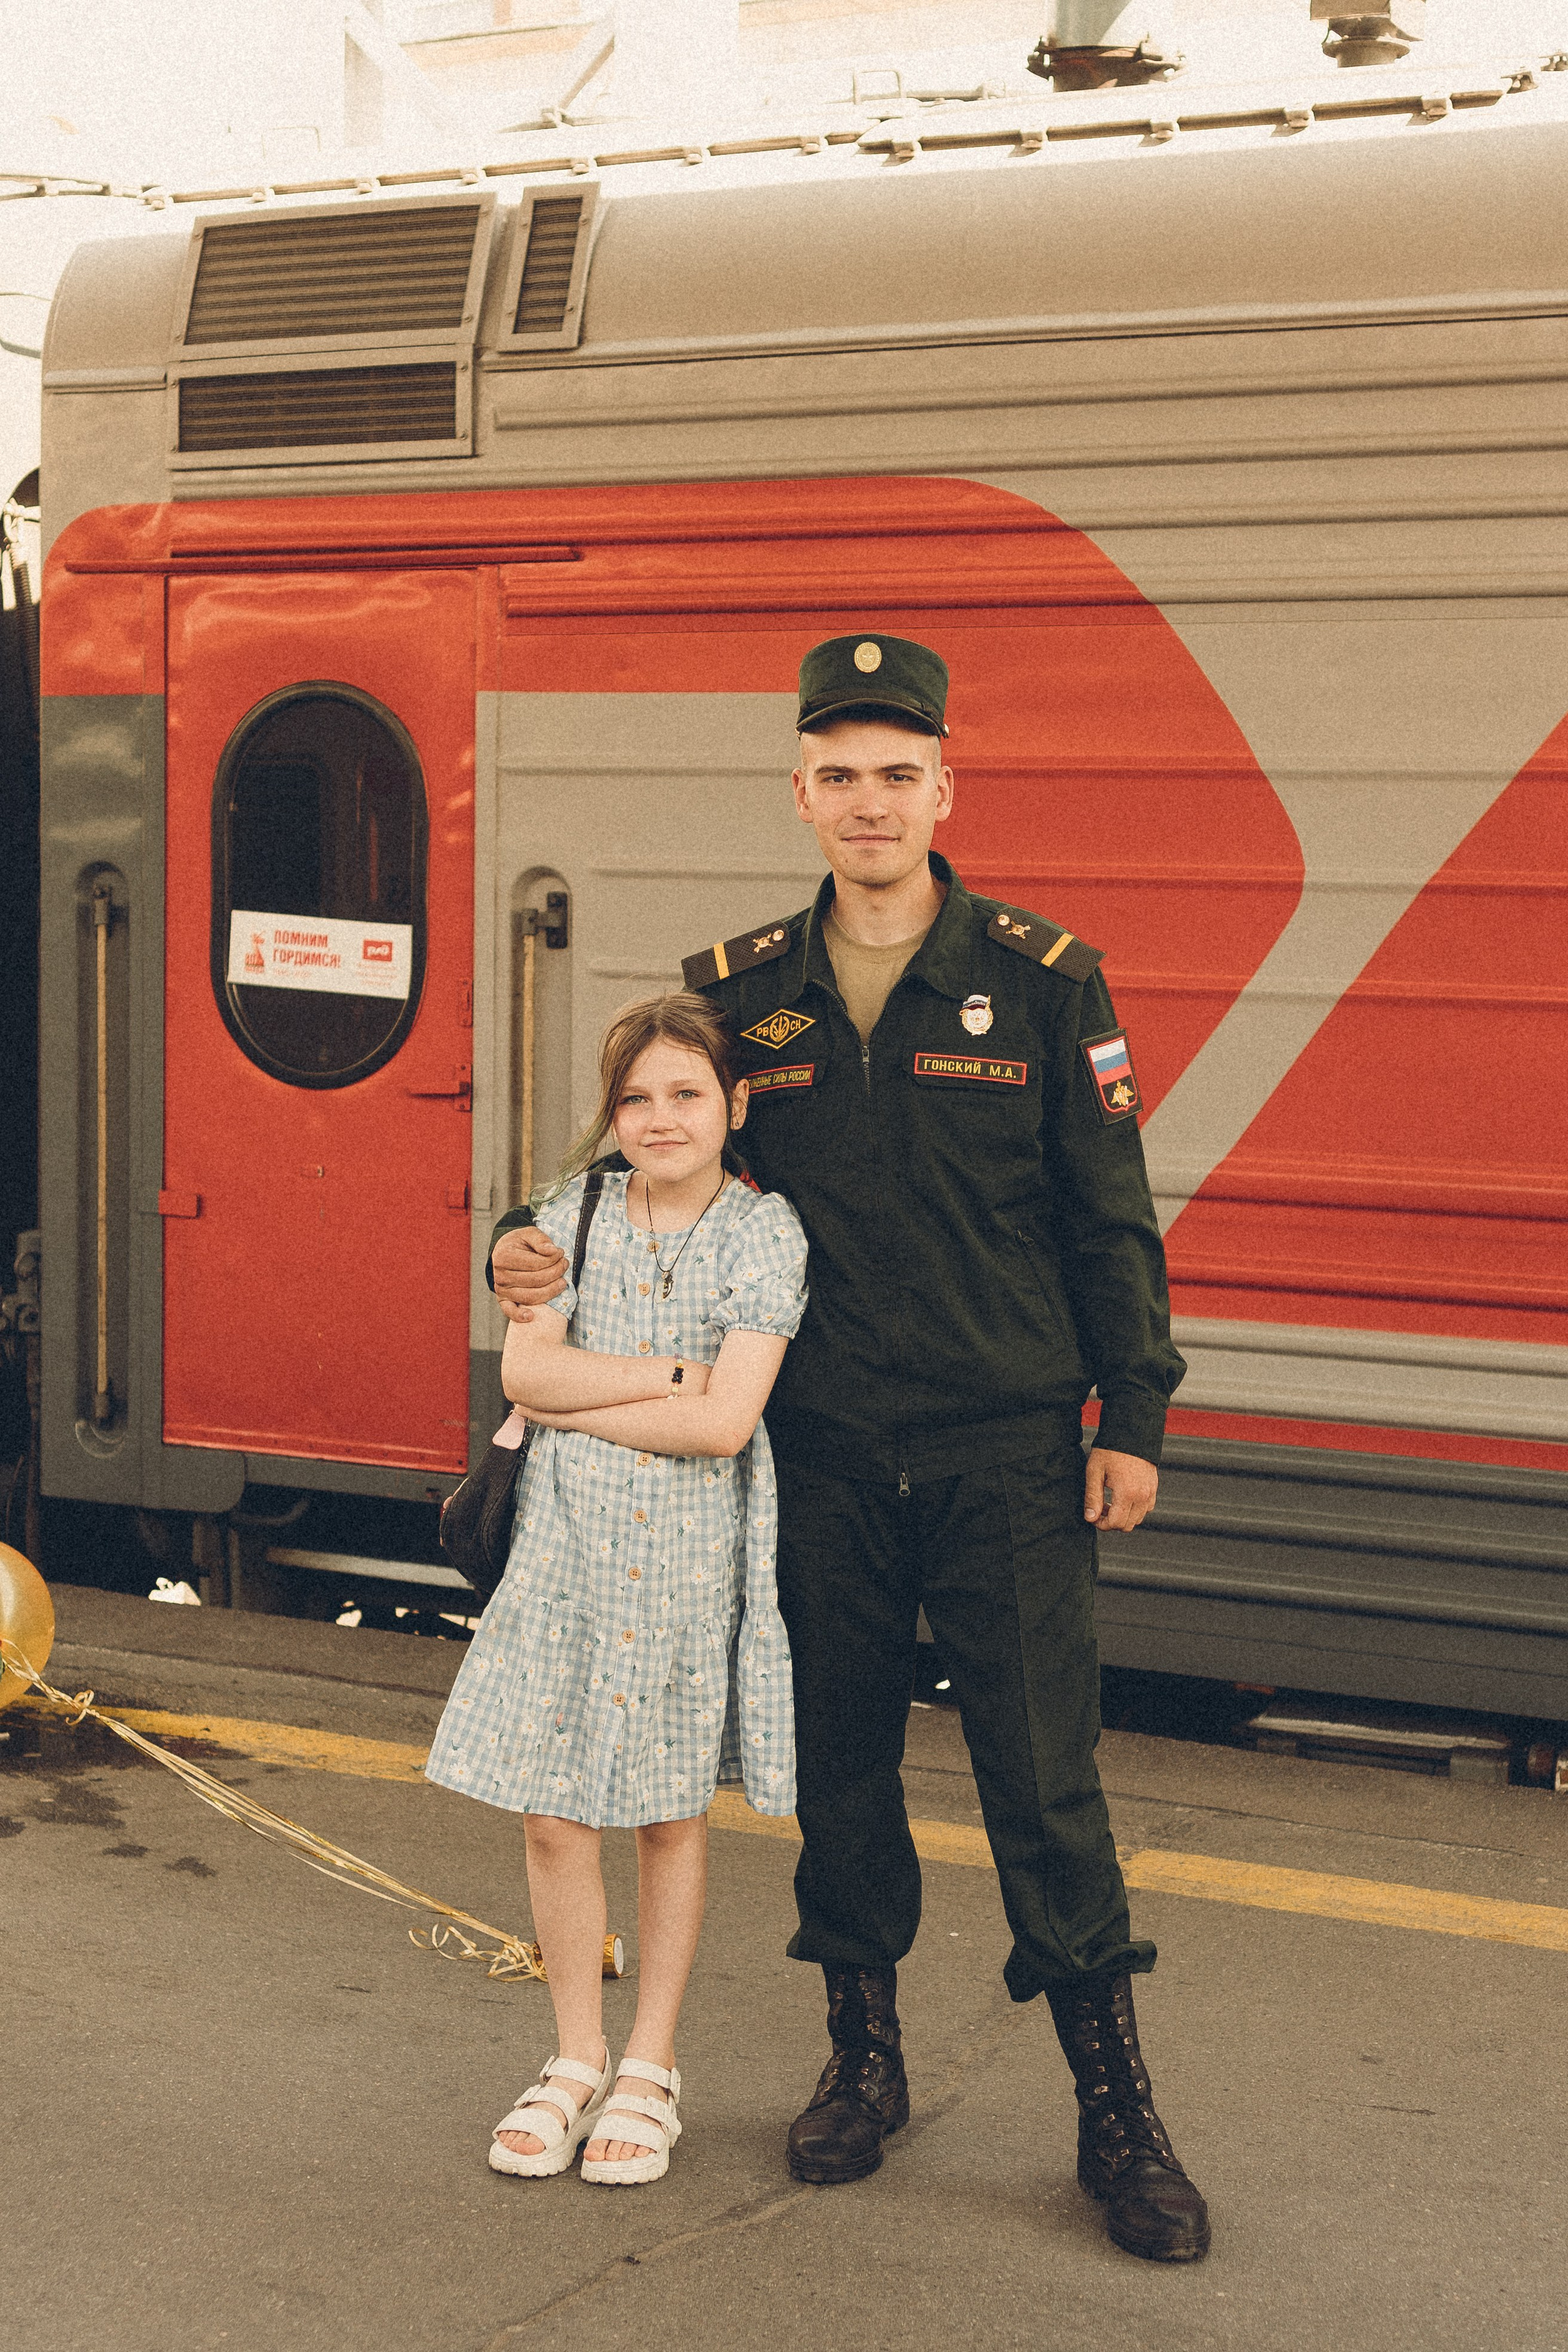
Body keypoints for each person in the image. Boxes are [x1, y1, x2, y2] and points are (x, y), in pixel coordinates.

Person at [488, 635, 1210, 2262]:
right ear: (800, 793)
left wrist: (1136, 1414)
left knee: (1045, 1787)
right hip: (815, 1459)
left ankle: (1118, 2111)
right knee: (842, 1778)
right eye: (841, 773)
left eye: (900, 771)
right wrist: (517, 1252)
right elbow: (622, 1157)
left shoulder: (1043, 978)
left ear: (945, 787)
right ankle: (861, 2060)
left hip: (1008, 1452)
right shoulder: (741, 993)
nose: (871, 801)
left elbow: (1110, 1220)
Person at [428, 992, 807, 2187]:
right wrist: (666, 1371)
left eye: (685, 1093)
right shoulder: (569, 1213)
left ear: (732, 1105)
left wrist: (587, 1395)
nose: (658, 1117)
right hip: (562, 1549)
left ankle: (651, 2060)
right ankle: (573, 2056)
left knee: (664, 1808)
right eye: (635, 1097)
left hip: (690, 1551)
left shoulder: (765, 1233)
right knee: (551, 1808)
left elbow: (724, 1423)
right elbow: (523, 1372)